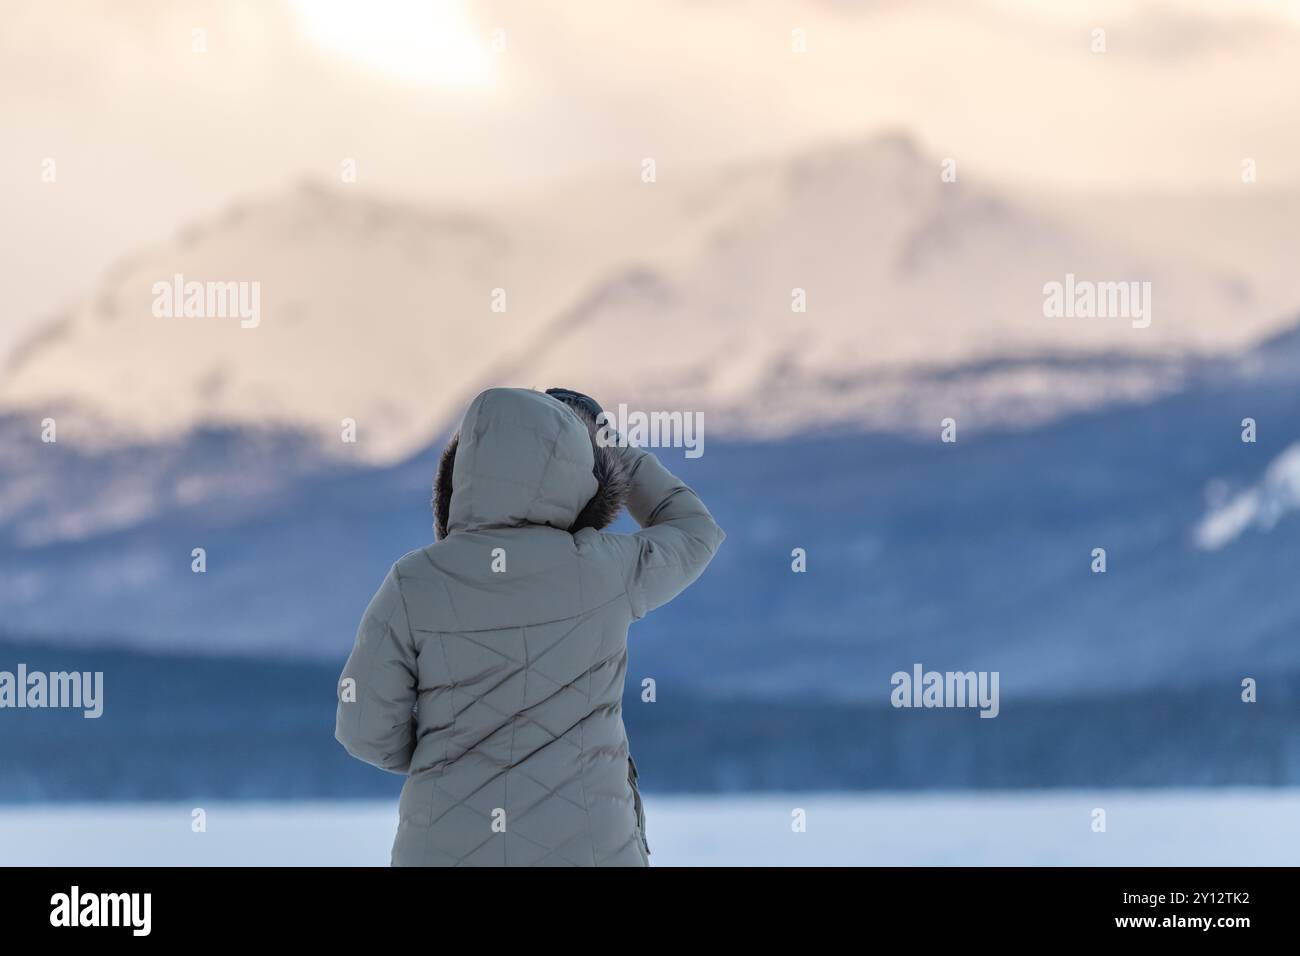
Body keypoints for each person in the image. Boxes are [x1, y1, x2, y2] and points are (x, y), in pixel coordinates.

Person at [335, 386, 725, 866]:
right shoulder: (604, 571)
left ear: (459, 474)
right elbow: (694, 531)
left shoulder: (413, 581)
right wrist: (612, 444)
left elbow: (363, 730)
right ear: (581, 474)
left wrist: (446, 755)